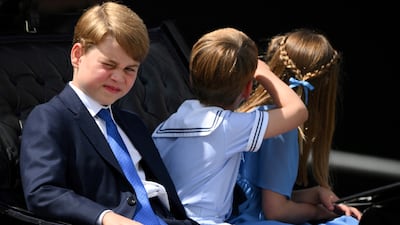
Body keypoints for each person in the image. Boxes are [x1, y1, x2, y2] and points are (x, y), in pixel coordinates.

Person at [19, 2, 198, 225]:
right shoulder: (50, 118)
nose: (119, 77)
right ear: (78, 55)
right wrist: (106, 218)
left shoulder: (132, 124)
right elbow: (43, 191)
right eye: (108, 65)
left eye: (129, 69)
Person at [151, 27, 308, 224]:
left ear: (191, 78)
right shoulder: (226, 127)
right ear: (248, 88)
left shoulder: (168, 124)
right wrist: (264, 73)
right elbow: (298, 111)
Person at [228, 28, 363, 225]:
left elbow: (264, 197)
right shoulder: (282, 124)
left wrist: (315, 194)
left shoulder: (259, 112)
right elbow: (275, 211)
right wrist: (320, 213)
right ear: (326, 87)